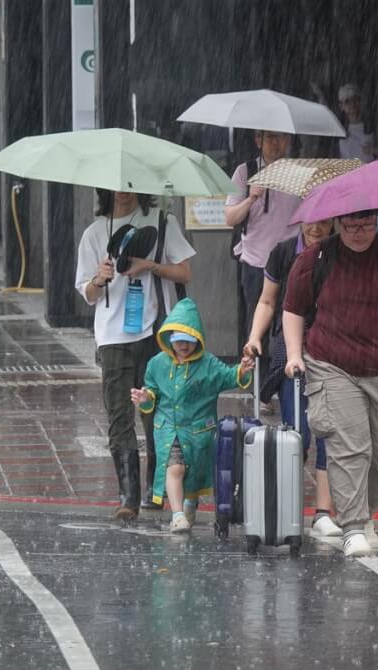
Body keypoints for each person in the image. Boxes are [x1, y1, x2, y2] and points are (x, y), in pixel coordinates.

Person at [282, 209, 378, 558]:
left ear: (376, 222)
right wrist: (293, 354)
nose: (358, 233)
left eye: (365, 225)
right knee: (350, 446)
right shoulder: (316, 256)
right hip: (333, 364)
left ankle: (365, 515)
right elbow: (293, 309)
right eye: (350, 226)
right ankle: (352, 525)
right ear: (337, 224)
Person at [75, 190, 194, 520]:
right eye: (115, 185)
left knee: (157, 415)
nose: (122, 191)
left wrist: (150, 266)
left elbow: (185, 272)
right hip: (113, 337)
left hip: (156, 333)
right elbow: (86, 293)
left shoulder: (162, 222)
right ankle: (129, 496)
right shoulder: (94, 233)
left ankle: (156, 491)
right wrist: (100, 279)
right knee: (118, 415)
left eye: (129, 183)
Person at [243, 218, 342, 537]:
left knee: (329, 431)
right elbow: (267, 300)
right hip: (290, 349)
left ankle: (324, 511)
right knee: (296, 431)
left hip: (332, 349)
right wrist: (255, 337)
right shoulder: (283, 253)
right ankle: (289, 506)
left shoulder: (340, 253)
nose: (317, 228)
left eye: (324, 223)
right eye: (312, 221)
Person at [131, 298, 254, 533]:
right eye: (179, 341)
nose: (184, 346)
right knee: (174, 468)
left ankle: (188, 505)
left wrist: (242, 371)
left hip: (199, 433)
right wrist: (146, 398)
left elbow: (229, 377)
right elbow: (152, 390)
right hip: (169, 428)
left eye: (189, 341)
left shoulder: (208, 365)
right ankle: (177, 515)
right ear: (169, 337)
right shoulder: (156, 364)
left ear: (198, 338)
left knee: (194, 476)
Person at [223, 130, 302, 350]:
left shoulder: (298, 172)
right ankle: (257, 376)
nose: (277, 143)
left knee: (289, 319)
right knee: (256, 323)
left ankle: (284, 375)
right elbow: (230, 218)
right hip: (255, 261)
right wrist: (251, 198)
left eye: (282, 137)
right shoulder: (245, 171)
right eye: (270, 138)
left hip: (290, 260)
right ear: (258, 141)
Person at [337, 83, 377, 163]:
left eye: (354, 99)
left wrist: (374, 150)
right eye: (347, 101)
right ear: (341, 106)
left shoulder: (375, 127)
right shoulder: (338, 132)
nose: (352, 104)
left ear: (360, 101)